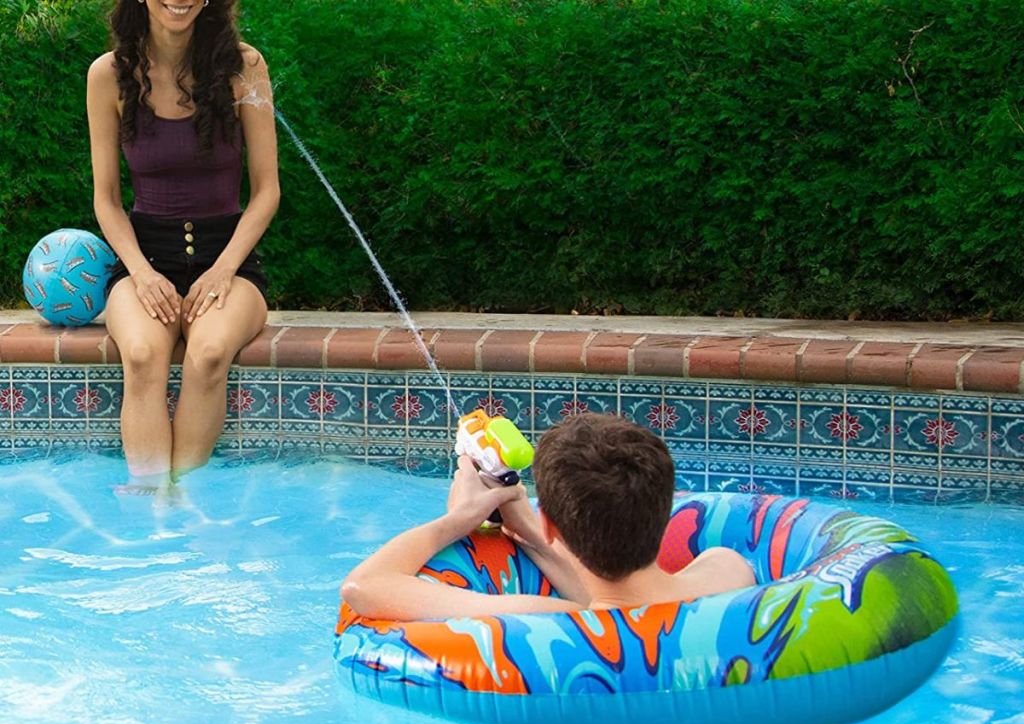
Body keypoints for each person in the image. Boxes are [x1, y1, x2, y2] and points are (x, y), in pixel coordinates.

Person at [86, 0, 279, 489]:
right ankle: (153, 504)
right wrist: (142, 274)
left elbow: (267, 192)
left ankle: (184, 500)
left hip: (228, 260)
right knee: (145, 356)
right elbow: (107, 201)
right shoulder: (108, 75)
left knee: (211, 352)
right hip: (143, 260)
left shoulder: (245, 67)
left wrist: (223, 270)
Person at [342, 413, 756, 621]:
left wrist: (462, 517)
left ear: (553, 522)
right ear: (666, 509)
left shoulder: (549, 621)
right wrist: (530, 531)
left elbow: (364, 586)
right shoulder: (726, 572)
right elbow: (629, 601)